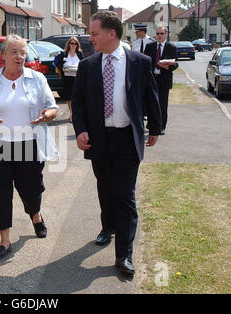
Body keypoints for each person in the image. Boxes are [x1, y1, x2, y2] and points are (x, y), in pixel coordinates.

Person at [71, 11, 162, 276]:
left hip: (127, 138)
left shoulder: (139, 62)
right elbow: (77, 102)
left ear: (112, 34)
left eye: (95, 33)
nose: (90, 38)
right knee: (105, 189)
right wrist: (81, 130)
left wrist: (155, 127)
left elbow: (150, 95)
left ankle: (124, 254)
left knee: (125, 196)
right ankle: (107, 226)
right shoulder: (88, 65)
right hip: (99, 139)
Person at [0, 34, 59, 260]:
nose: (20, 56)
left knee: (31, 188)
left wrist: (46, 115)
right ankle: (4, 240)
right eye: (14, 52)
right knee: (0, 192)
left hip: (28, 143)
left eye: (23, 52)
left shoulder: (37, 79)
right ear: (3, 56)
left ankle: (36, 215)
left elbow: (52, 109)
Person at [144, 24, 178, 135]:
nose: (159, 36)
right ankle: (151, 123)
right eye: (157, 33)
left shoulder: (171, 47)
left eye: (162, 33)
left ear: (166, 34)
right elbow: (145, 62)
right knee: (151, 103)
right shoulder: (149, 47)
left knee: (162, 105)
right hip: (152, 79)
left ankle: (162, 126)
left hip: (164, 80)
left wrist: (165, 65)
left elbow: (175, 64)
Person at [55, 37, 84, 122]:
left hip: (76, 78)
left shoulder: (79, 54)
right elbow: (59, 64)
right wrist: (62, 69)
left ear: (77, 45)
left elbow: (83, 64)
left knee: (76, 96)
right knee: (68, 96)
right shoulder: (64, 54)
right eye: (72, 43)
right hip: (67, 77)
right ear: (69, 44)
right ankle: (71, 113)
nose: (73, 45)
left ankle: (75, 113)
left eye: (75, 43)